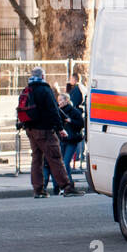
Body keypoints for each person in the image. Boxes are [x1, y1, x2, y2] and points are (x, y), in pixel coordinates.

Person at [21, 67, 81, 198]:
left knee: (37, 159)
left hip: (31, 130)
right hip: (45, 130)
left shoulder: (27, 89)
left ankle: (38, 189)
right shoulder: (44, 89)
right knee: (55, 158)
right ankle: (67, 187)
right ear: (42, 76)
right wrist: (60, 128)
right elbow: (53, 110)